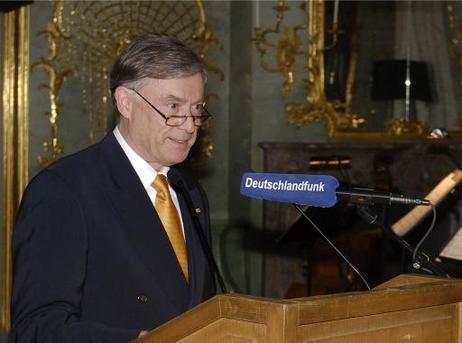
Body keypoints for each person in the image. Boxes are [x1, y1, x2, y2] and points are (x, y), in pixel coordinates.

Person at [10, 33, 215, 342]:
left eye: (197, 109)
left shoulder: (189, 192)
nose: (189, 125)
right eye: (173, 107)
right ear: (125, 102)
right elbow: (36, 328)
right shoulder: (63, 191)